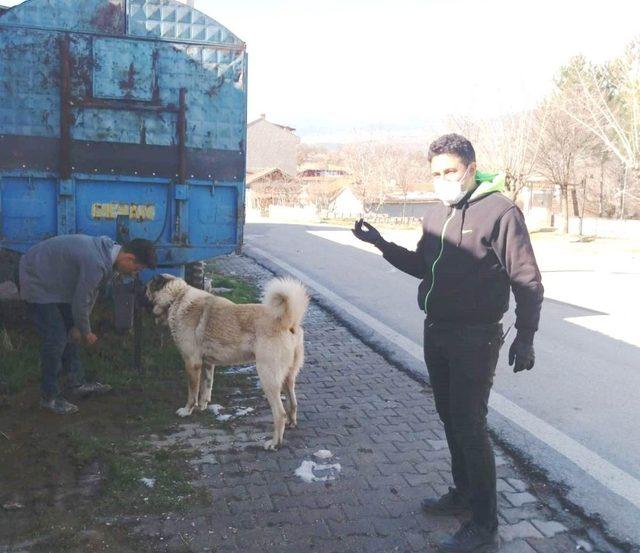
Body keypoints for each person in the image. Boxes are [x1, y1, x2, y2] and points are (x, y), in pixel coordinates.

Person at [352, 133, 543, 552]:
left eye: (450, 171)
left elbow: (526, 279)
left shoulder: (501, 211)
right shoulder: (435, 216)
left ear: (471, 169)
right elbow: (422, 266)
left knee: (470, 424)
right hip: (436, 330)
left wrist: (525, 335)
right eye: (436, 173)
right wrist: (380, 243)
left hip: (477, 336)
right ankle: (462, 493)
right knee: (448, 416)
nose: (443, 180)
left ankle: (485, 522)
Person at [19, 234, 157, 415]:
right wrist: (86, 331)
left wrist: (80, 327)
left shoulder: (107, 255)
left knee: (71, 331)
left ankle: (76, 383)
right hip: (36, 278)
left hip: (55, 282)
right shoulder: (96, 262)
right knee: (56, 338)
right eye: (136, 269)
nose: (134, 274)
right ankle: (49, 397)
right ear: (128, 258)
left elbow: (91, 294)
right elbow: (80, 301)